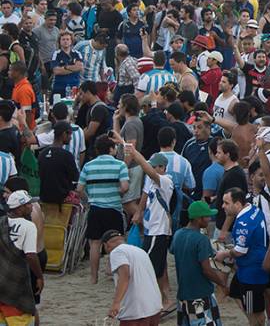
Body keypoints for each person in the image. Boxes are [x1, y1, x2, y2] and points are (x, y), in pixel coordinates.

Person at [77, 136, 130, 285]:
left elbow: (79, 189)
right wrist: (117, 192)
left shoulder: (88, 166)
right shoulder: (120, 165)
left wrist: (90, 198)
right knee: (116, 242)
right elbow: (125, 187)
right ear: (111, 149)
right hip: (113, 208)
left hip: (95, 208)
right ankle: (112, 271)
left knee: (95, 243)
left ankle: (93, 277)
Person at [129, 146, 175, 313]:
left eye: (155, 167)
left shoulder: (166, 181)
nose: (152, 169)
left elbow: (149, 172)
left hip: (158, 231)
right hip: (152, 230)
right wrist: (139, 212)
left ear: (162, 168)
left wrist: (135, 154)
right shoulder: (155, 182)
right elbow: (146, 193)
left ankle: (157, 300)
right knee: (159, 266)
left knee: (148, 268)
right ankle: (166, 299)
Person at [216, 187, 270, 326]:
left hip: (251, 273)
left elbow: (240, 251)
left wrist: (224, 254)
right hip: (257, 264)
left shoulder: (243, 222)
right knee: (234, 292)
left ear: (238, 204)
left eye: (226, 203)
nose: (223, 206)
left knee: (254, 313)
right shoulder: (254, 209)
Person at [170, 199, 226, 326]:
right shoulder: (201, 240)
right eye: (207, 216)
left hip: (183, 294)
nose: (209, 219)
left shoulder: (178, 234)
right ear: (199, 219)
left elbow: (174, 251)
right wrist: (221, 282)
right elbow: (206, 269)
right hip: (201, 295)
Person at [102, 229, 163, 326]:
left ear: (106, 245)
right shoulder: (140, 251)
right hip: (154, 306)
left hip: (136, 310)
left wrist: (116, 303)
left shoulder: (117, 252)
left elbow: (125, 276)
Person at [36, 121, 78, 204]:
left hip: (44, 199)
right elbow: (75, 177)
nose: (71, 137)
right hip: (62, 201)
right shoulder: (66, 155)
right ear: (63, 134)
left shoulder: (42, 154)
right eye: (69, 134)